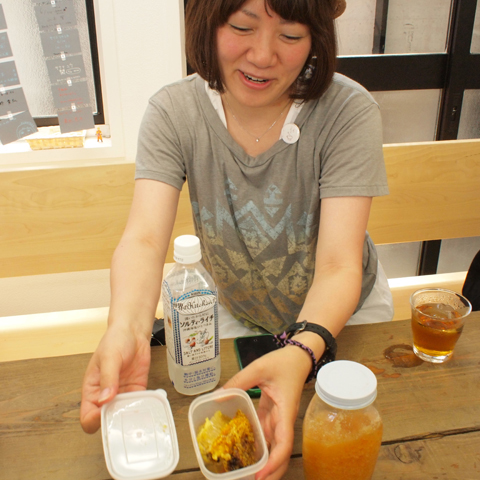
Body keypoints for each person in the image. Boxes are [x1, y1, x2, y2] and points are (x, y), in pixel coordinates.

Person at [80, 1, 393, 478]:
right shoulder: (175, 111)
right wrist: (126, 328)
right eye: (243, 27)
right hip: (238, 310)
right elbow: (144, 241)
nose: (263, 55)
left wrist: (301, 350)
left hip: (343, 317)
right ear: (208, 23)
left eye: (290, 35)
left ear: (316, 38)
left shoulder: (348, 111)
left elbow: (338, 265)